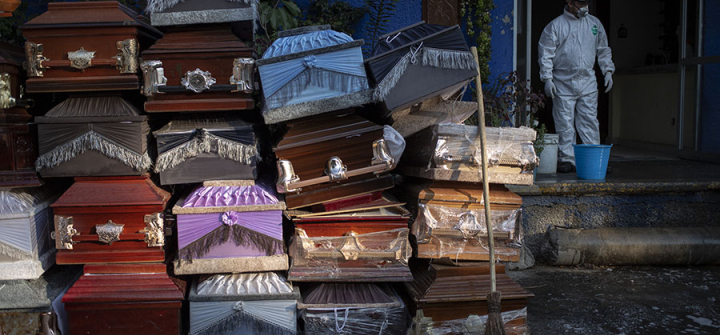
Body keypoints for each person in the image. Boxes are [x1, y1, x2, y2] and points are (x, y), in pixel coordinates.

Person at [538, 0, 615, 173]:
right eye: (580, 4)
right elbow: (546, 53)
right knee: (564, 122)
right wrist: (547, 78)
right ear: (569, 3)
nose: (584, 7)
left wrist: (607, 70)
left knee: (589, 121)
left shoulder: (594, 24)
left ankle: (593, 159)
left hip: (587, 80)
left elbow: (603, 49)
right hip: (562, 81)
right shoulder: (556, 26)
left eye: (586, 3)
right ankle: (567, 159)